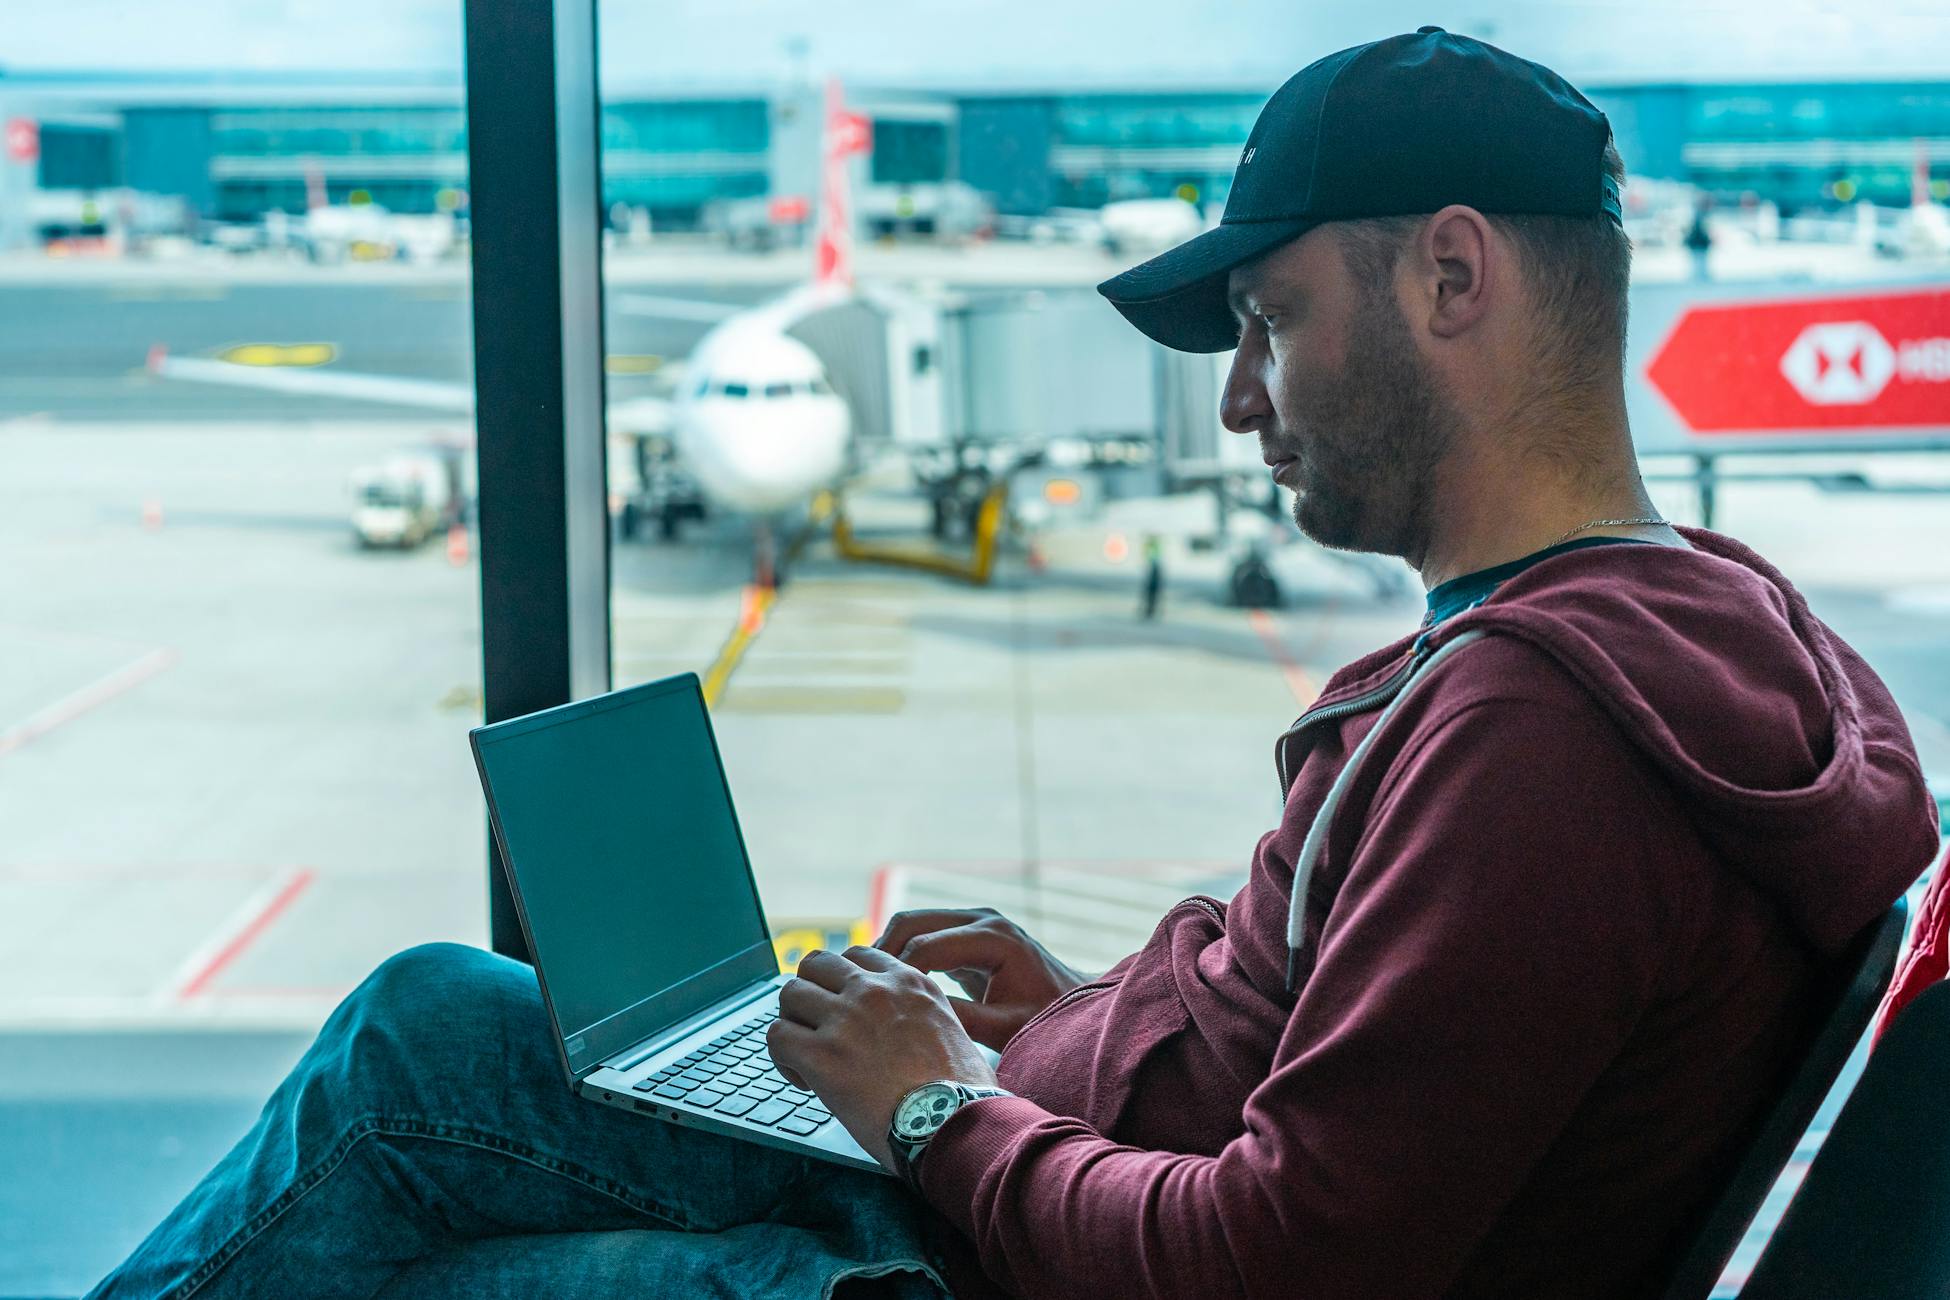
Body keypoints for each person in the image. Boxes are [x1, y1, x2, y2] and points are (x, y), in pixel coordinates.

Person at [91, 27, 1938, 1300]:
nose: (1235, 403)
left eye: (1269, 323)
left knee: (417, 1079)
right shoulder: (1721, 618)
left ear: (1453, 280)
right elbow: (1394, 1068)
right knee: (439, 1037)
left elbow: (1278, 1266)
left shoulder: (1544, 732)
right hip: (1065, 1162)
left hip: (1030, 1257)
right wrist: (1079, 1014)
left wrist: (926, 1101)